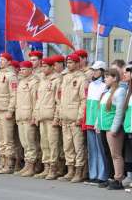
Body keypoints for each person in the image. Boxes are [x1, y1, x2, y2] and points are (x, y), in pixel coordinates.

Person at [58, 54, 86, 183]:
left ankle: (79, 171)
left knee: (78, 147)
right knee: (67, 147)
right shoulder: (64, 77)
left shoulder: (81, 78)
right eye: (67, 62)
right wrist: (59, 115)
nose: (68, 64)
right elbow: (59, 99)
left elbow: (83, 100)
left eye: (71, 62)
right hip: (65, 117)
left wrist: (80, 117)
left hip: (75, 118)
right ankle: (70, 171)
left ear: (77, 63)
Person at [97, 69, 127, 190]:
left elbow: (119, 112)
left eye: (108, 76)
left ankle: (118, 179)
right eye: (105, 77)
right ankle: (111, 177)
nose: (105, 79)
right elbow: (101, 111)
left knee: (116, 155)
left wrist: (114, 129)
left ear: (115, 78)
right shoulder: (108, 92)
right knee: (109, 154)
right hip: (104, 127)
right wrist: (97, 124)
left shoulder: (120, 91)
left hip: (111, 129)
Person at [0, 52, 18, 174]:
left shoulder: (11, 76)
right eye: (0, 60)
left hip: (5, 110)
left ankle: (9, 164)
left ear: (9, 62)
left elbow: (14, 94)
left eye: (3, 60)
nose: (0, 62)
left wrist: (11, 110)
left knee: (7, 139)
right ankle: (2, 162)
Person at [34, 58, 62, 180]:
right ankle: (46, 168)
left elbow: (59, 101)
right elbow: (38, 100)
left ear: (52, 67)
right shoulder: (42, 80)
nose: (43, 68)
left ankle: (53, 168)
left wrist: (57, 117)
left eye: (45, 66)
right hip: (42, 116)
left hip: (51, 116)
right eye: (42, 66)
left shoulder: (57, 79)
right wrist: (36, 115)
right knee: (44, 143)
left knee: (53, 144)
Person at [84, 61, 109, 187]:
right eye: (93, 69)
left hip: (98, 121)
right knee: (92, 149)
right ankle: (93, 175)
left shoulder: (105, 86)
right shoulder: (91, 85)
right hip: (89, 120)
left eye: (97, 70)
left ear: (102, 71)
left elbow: (102, 106)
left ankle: (102, 175)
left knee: (100, 149)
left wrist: (98, 121)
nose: (94, 72)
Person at [13, 61, 39, 177]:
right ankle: (26, 166)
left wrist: (34, 115)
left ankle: (31, 166)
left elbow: (35, 100)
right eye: (21, 69)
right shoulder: (21, 82)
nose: (21, 71)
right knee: (24, 143)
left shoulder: (34, 82)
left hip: (29, 115)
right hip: (21, 116)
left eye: (24, 69)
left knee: (30, 142)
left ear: (30, 70)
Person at [123, 63, 132, 188]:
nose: (124, 74)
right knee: (129, 153)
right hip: (128, 127)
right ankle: (129, 177)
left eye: (127, 71)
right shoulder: (128, 89)